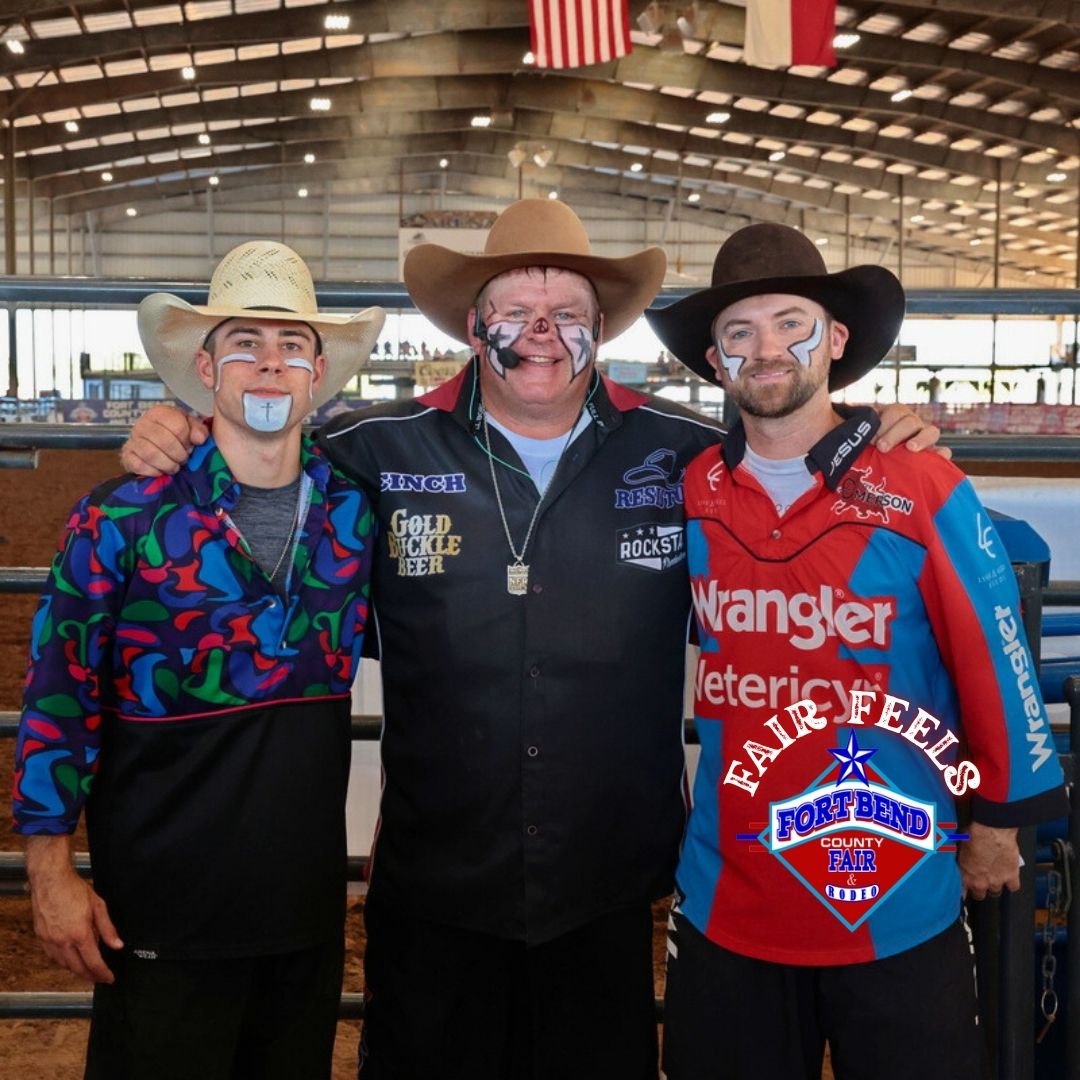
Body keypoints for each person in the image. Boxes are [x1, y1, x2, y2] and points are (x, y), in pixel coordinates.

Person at [121, 200, 940, 1080]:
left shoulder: (690, 451)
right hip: (438, 883)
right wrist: (186, 430)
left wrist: (877, 439)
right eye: (515, 311)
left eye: (569, 316)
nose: (541, 335)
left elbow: (798, 438)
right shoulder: (370, 448)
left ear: (602, 332)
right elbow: (259, 460)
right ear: (476, 326)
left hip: (606, 889)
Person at [647, 223, 1068, 1080]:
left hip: (896, 891)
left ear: (836, 340)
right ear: (716, 359)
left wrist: (997, 821)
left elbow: (997, 654)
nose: (767, 349)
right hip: (730, 896)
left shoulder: (920, 482)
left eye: (790, 323)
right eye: (739, 332)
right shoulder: (689, 490)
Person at [13, 241, 384, 1079]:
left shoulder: (356, 514)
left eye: (292, 347)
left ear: (318, 374)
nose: (269, 365)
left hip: (303, 917)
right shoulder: (120, 518)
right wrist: (48, 869)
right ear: (206, 370)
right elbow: (58, 695)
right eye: (244, 343)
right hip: (156, 915)